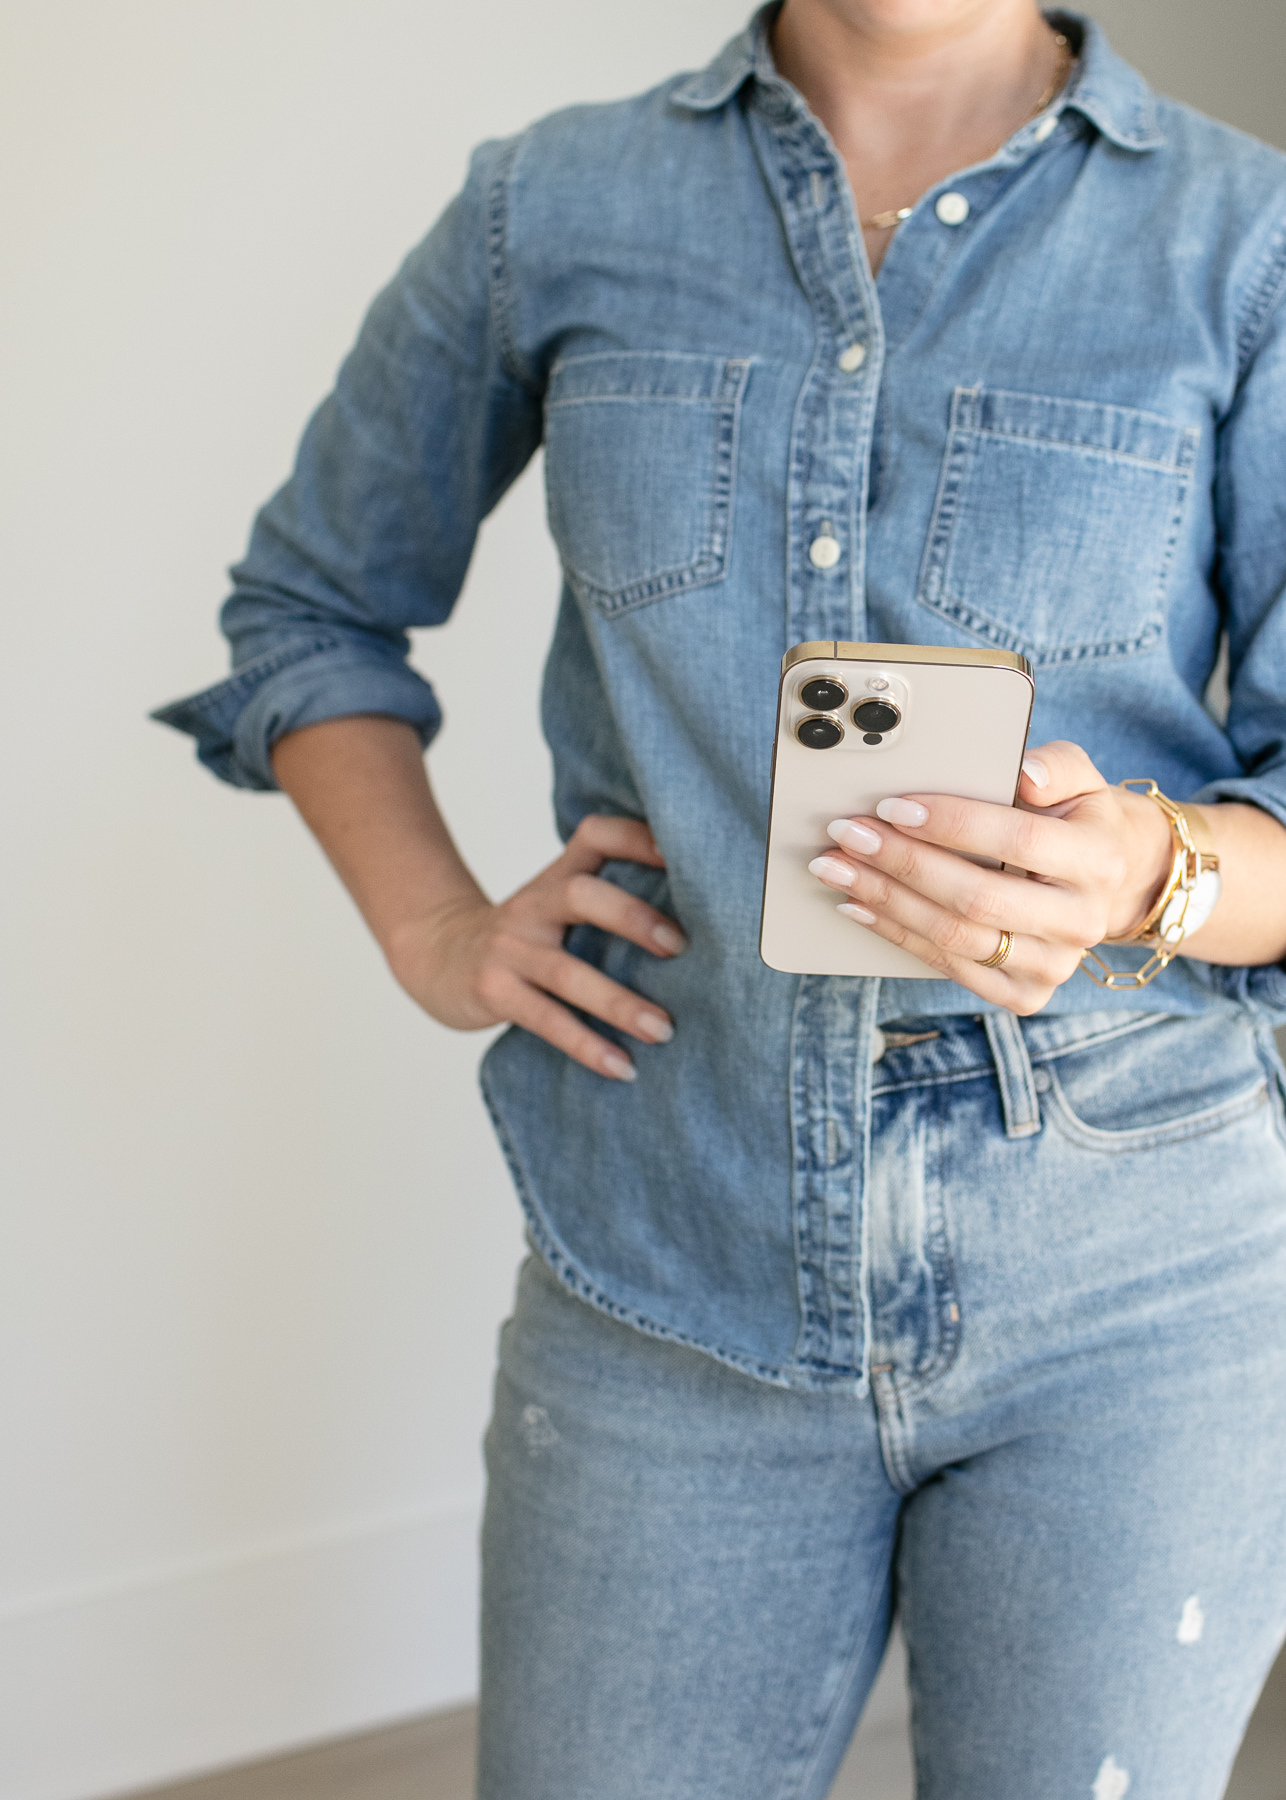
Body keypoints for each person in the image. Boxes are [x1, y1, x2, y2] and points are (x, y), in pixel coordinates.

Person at [154, 2, 1286, 1793]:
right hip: (662, 1258)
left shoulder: (1246, 238)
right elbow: (308, 612)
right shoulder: (552, 205)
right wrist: (435, 929)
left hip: (1137, 1281)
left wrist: (1158, 867)